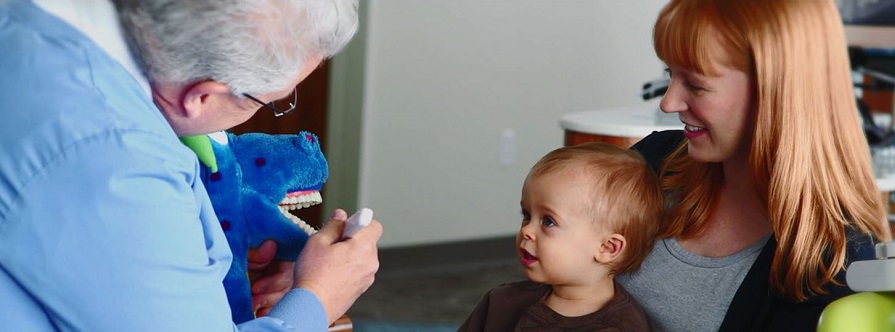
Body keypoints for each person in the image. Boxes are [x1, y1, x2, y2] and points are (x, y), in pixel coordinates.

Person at [0, 0, 382, 331]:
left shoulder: (35, 22)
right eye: (271, 101)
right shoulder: (120, 162)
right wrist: (319, 295)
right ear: (200, 97)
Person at [615, 0, 892, 331]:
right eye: (669, 74)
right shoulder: (651, 162)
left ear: (775, 91)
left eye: (696, 84)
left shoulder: (833, 261)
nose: (669, 102)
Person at [459, 143, 662, 331]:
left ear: (608, 248)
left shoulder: (622, 327)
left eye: (548, 221)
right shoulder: (501, 302)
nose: (527, 231)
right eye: (527, 215)